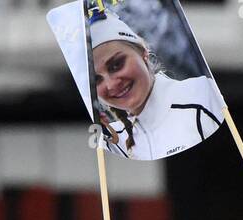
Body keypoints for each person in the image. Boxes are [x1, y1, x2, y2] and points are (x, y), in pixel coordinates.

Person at [89, 13, 223, 161]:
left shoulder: (203, 96)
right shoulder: (113, 141)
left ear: (143, 53)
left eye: (116, 65)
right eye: (97, 80)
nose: (111, 84)